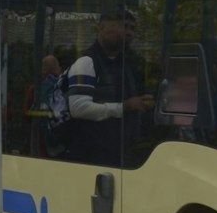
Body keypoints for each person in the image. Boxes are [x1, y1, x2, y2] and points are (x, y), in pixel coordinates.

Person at [65, 9, 152, 165]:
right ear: (101, 28)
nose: (129, 33)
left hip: (119, 153)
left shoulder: (125, 65)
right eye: (124, 27)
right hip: (91, 156)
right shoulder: (86, 62)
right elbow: (78, 108)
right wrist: (124, 107)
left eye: (132, 28)